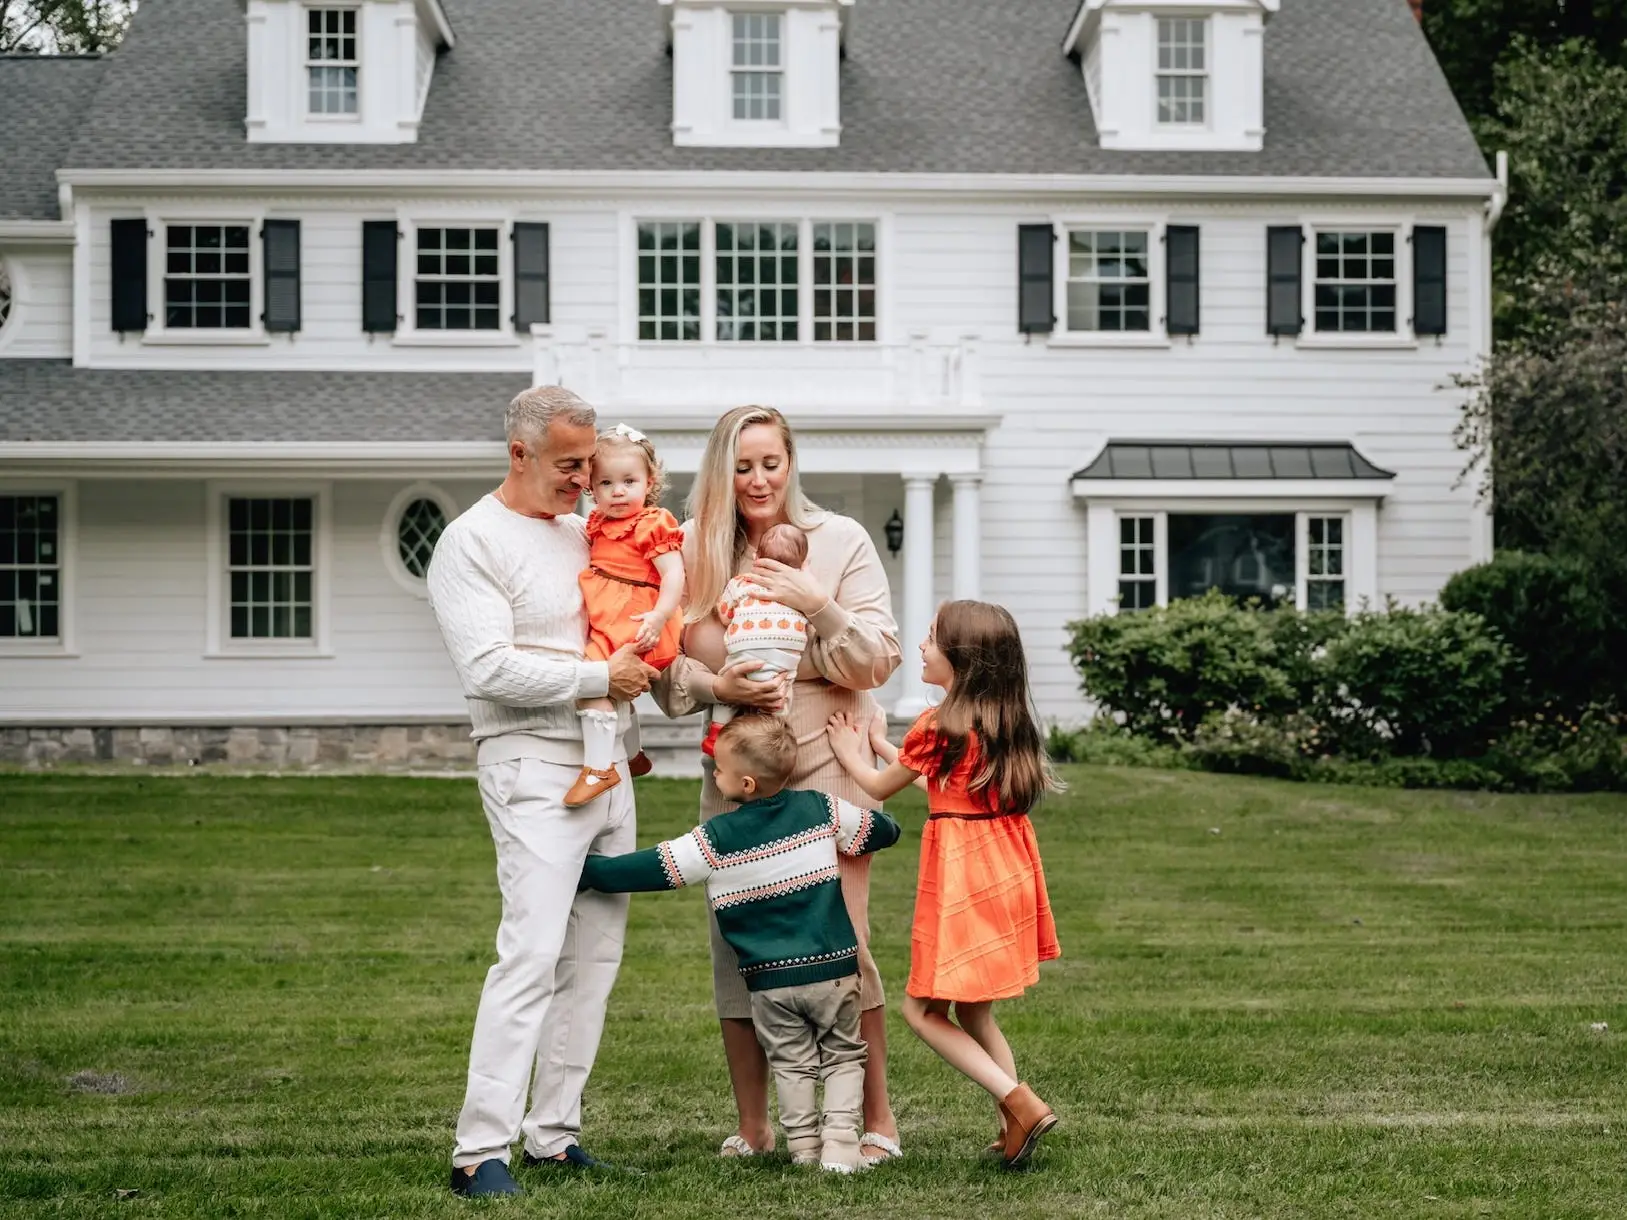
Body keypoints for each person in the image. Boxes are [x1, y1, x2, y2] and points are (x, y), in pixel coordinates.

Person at [651, 404, 905, 1163]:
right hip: (738, 767)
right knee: (740, 946)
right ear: (720, 470)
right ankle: (757, 1127)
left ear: (791, 463)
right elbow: (663, 671)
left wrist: (814, 607)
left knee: (843, 944)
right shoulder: (690, 550)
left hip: (830, 753)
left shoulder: (840, 541)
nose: (759, 479)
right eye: (743, 465)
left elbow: (877, 658)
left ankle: (875, 1123)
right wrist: (712, 679)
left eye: (772, 462)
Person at [425, 385, 658, 1198]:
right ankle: (477, 1152)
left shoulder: (584, 532)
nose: (584, 480)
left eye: (590, 464)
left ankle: (553, 1136)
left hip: (610, 765)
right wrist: (600, 675)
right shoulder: (470, 542)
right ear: (518, 453)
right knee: (529, 953)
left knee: (592, 956)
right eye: (569, 466)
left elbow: (628, 630)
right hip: (530, 766)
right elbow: (487, 668)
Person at [579, 715, 902, 1172]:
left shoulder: (715, 840)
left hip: (768, 984)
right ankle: (842, 1147)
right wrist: (888, 825)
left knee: (791, 1063)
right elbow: (881, 831)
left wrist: (588, 870)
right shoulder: (821, 809)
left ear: (745, 783)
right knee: (843, 1055)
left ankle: (805, 1149)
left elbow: (653, 867)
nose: (714, 774)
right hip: (832, 972)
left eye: (720, 769)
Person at [826, 599, 1063, 1169]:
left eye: (931, 640)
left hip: (964, 877)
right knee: (976, 1013)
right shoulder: (1003, 721)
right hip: (1005, 867)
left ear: (963, 657)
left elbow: (881, 786)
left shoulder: (938, 724)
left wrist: (847, 752)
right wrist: (887, 747)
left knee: (922, 1011)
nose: (923, 648)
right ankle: (1014, 1127)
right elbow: (941, 782)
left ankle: (1020, 1102)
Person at [568, 423, 685, 807]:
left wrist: (658, 616)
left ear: (649, 482)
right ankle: (633, 755)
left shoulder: (652, 523)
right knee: (616, 690)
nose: (617, 491)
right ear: (591, 487)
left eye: (629, 481)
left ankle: (600, 768)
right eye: (606, 483)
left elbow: (673, 575)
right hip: (609, 618)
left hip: (638, 621)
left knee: (593, 685)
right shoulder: (598, 524)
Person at [701, 522, 810, 757]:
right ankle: (775, 735)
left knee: (728, 689)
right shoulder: (803, 588)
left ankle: (716, 733)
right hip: (784, 656)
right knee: (781, 692)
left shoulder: (742, 582)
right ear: (803, 564)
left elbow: (724, 614)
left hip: (746, 651)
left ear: (756, 557)